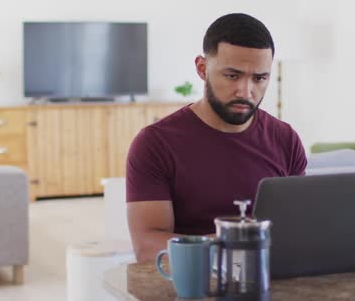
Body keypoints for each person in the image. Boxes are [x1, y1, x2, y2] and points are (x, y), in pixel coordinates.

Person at [126, 13, 307, 262]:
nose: (246, 91)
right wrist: (238, 244)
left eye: (259, 78)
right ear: (202, 68)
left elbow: (300, 230)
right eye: (232, 76)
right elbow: (147, 247)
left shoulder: (286, 139)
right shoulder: (155, 144)